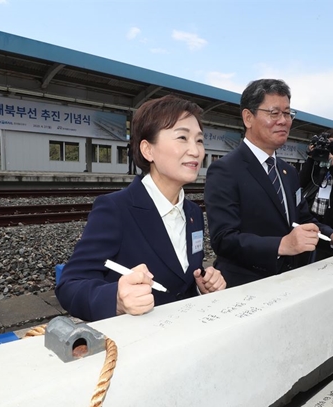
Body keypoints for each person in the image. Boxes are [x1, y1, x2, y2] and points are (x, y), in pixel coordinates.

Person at [56, 95, 226, 321]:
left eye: (200, 140)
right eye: (182, 137)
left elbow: (181, 282)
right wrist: (116, 299)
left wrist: (201, 287)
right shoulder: (115, 209)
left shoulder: (193, 212)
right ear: (148, 150)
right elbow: (70, 286)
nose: (196, 151)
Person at [204, 79, 333, 287]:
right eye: (274, 113)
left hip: (288, 280)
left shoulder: (288, 172)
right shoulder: (225, 170)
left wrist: (332, 235)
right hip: (245, 285)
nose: (283, 121)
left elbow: (302, 218)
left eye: (287, 113)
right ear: (248, 117)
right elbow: (224, 239)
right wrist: (282, 245)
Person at [299, 128, 333, 261]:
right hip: (313, 211)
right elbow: (301, 181)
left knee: (328, 254)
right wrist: (311, 158)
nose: (332, 145)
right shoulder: (318, 158)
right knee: (307, 251)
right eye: (330, 141)